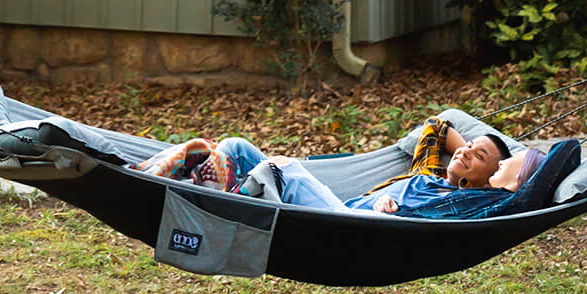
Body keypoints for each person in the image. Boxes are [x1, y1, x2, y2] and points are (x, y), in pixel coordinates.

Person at [137, 115, 553, 220]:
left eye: (480, 159)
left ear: (493, 181)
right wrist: (470, 155)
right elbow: (436, 129)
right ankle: (145, 178)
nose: (464, 153)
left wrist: (505, 169)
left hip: (356, 226)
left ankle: (223, 189)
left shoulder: (468, 204)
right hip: (335, 207)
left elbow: (533, 183)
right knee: (236, 145)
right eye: (467, 149)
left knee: (286, 169)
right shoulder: (427, 175)